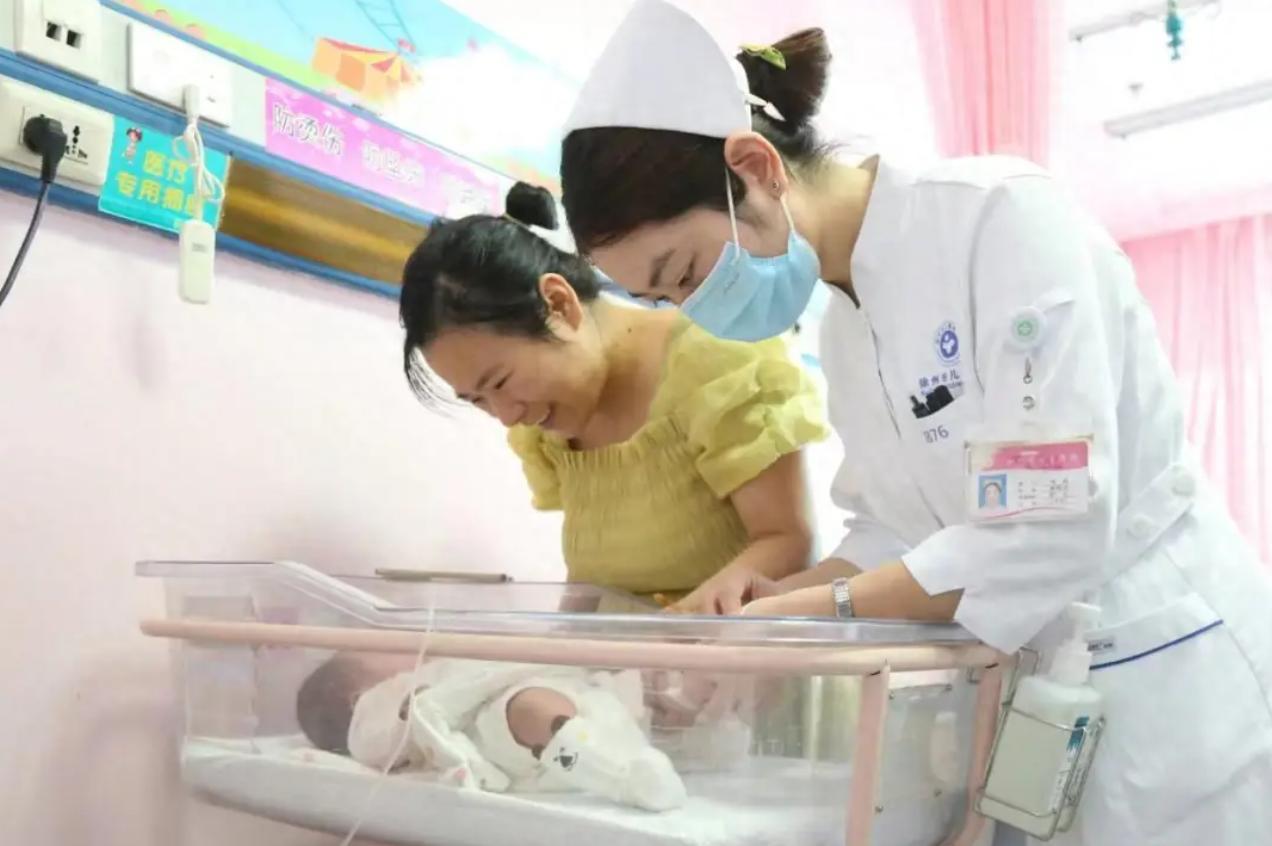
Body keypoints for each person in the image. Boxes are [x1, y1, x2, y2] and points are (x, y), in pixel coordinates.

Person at [553, 2, 1272, 844]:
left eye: (684, 271)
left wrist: (826, 609)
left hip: (1165, 670)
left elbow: (1049, 524)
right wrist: (779, 600)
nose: (693, 309)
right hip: (1035, 685)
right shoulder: (846, 325)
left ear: (753, 167)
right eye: (666, 297)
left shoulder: (997, 220)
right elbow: (898, 527)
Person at [398, 194, 827, 614]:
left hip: (730, 648)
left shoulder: (720, 359)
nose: (507, 415)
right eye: (478, 400)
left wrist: (682, 629)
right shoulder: (546, 428)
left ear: (559, 305)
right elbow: (593, 584)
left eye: (500, 382)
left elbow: (788, 540)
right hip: (625, 657)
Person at [295, 652, 690, 811]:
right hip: (491, 724)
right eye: (374, 655)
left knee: (590, 699)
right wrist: (410, 707)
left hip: (554, 694)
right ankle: (623, 778)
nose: (398, 655)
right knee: (530, 710)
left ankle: (662, 716)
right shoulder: (372, 709)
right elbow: (377, 741)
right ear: (354, 697)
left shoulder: (431, 665)